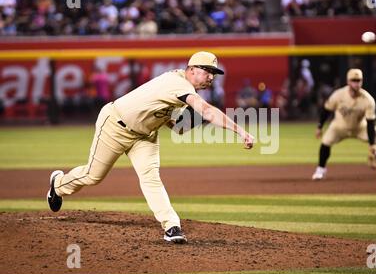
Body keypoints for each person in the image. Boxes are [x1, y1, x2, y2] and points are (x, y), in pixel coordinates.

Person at [46, 51, 255, 244]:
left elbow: (177, 128)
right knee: (93, 176)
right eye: (207, 71)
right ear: (191, 69)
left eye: (213, 73)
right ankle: (58, 185)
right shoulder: (177, 83)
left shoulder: (183, 93)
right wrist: (241, 131)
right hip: (115, 125)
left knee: (151, 177)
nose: (211, 77)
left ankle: (171, 226)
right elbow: (208, 110)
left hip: (144, 135)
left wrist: (195, 121)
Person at [311, 68, 376, 180]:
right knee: (325, 143)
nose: (356, 83)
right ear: (348, 81)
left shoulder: (368, 100)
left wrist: (372, 144)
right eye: (354, 80)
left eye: (359, 80)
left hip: (360, 127)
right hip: (339, 126)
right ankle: (320, 170)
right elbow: (326, 110)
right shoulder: (338, 95)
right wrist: (319, 127)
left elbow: (370, 123)